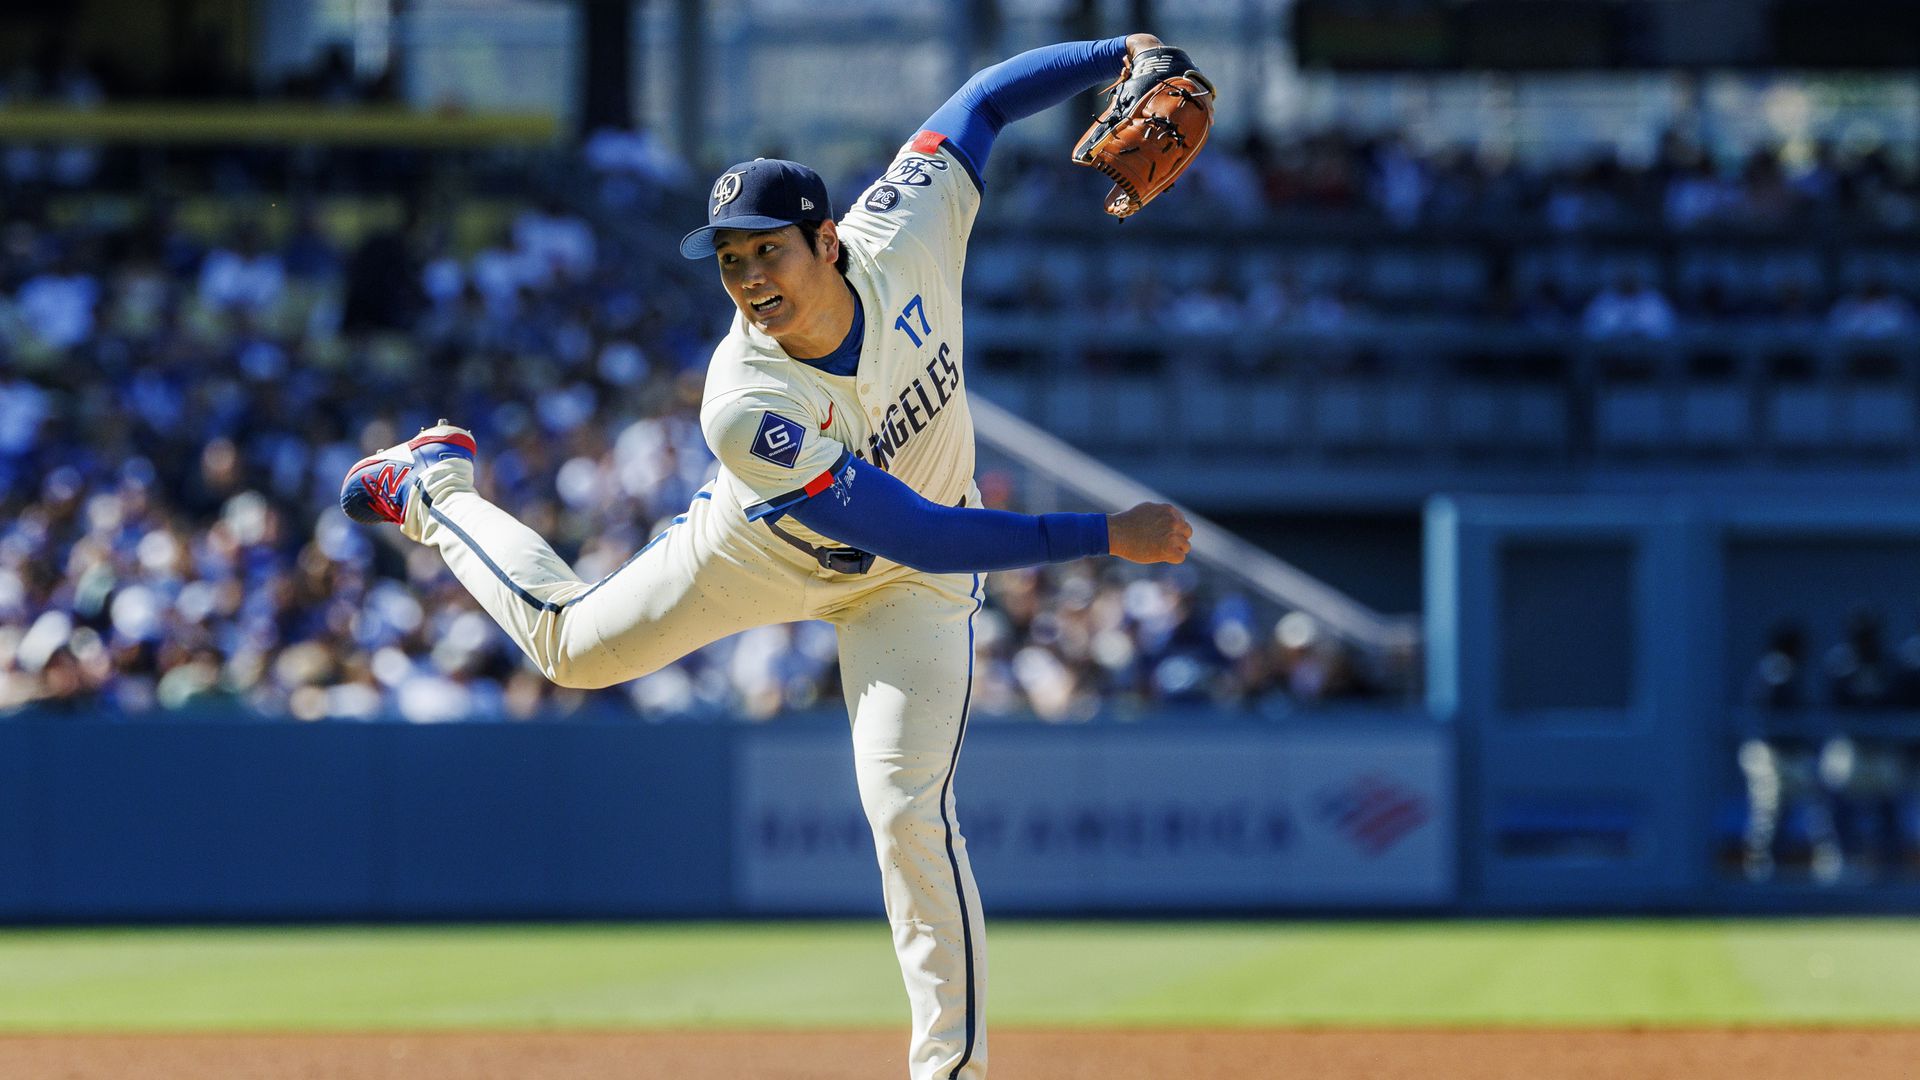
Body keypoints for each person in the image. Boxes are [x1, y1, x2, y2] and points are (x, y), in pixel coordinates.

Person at [340, 33, 1198, 1080]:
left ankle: (951, 1073)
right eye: (731, 260)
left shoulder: (908, 228)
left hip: (912, 594)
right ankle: (433, 489)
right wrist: (1104, 535)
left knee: (908, 812)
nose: (749, 277)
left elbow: (980, 102)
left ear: (828, 242)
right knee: (569, 649)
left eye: (767, 251)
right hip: (763, 549)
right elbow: (913, 525)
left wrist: (1125, 48)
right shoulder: (743, 400)